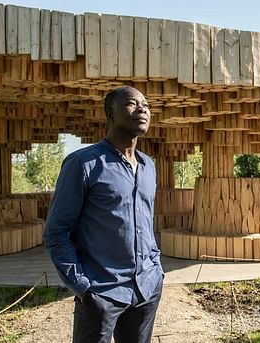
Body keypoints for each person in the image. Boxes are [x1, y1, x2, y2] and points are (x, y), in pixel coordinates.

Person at [43, 86, 163, 343]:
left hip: (146, 290)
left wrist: (156, 269)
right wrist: (83, 287)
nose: (142, 109)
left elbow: (146, 224)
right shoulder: (83, 164)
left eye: (146, 104)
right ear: (109, 113)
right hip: (101, 293)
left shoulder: (148, 166)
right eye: (132, 103)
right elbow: (56, 231)